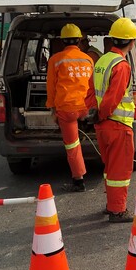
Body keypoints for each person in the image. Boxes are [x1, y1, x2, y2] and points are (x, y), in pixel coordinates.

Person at [86, 18, 136, 223]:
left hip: (102, 125)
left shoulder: (102, 61)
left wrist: (93, 114)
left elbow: (91, 92)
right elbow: (113, 97)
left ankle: (111, 205)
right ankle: (117, 210)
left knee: (109, 168)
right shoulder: (122, 65)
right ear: (131, 42)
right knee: (120, 169)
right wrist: (101, 114)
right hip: (117, 124)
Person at [46, 23, 94, 192]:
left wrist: (52, 109)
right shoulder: (88, 59)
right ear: (80, 40)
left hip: (66, 110)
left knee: (72, 145)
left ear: (62, 41)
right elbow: (93, 85)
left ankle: (79, 179)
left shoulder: (55, 60)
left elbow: (51, 87)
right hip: (86, 108)